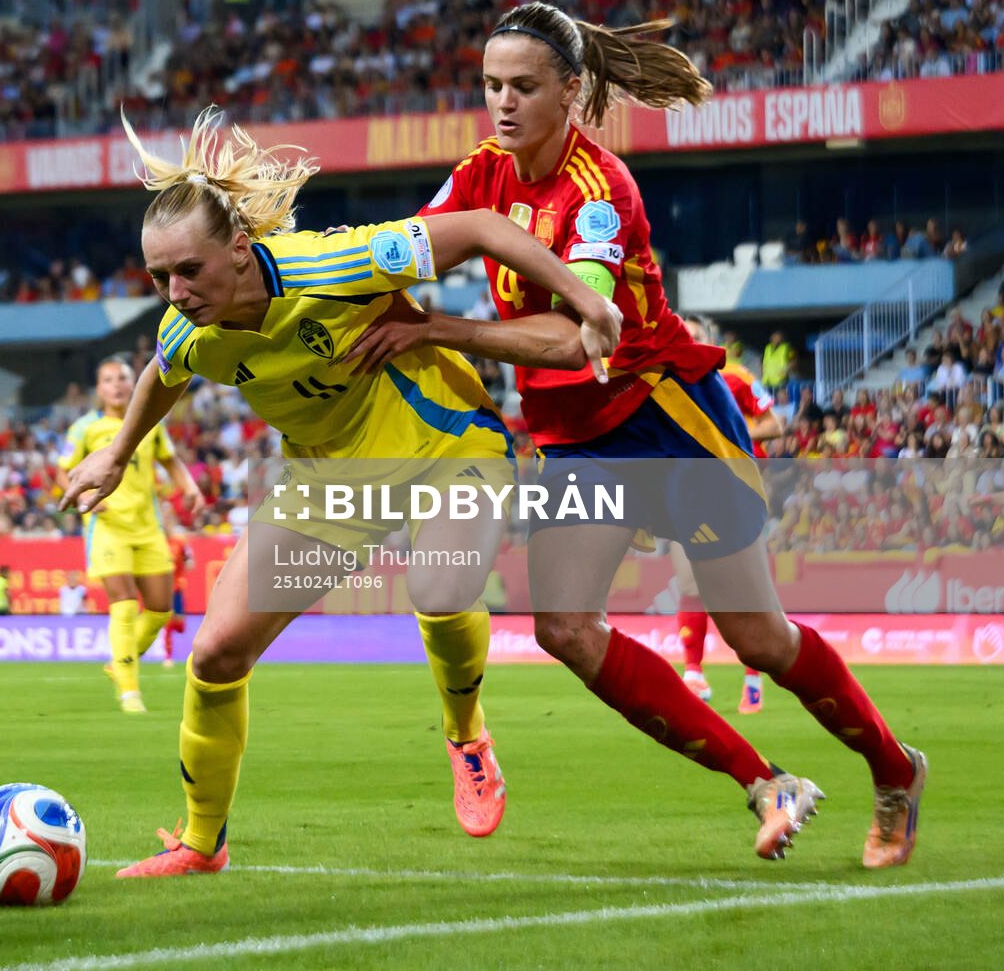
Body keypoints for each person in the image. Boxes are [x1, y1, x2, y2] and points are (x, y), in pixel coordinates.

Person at [381, 0, 924, 867]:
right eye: (491, 86)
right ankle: (765, 782)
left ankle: (896, 770)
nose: (503, 103)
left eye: (523, 86)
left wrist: (441, 332)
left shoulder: (600, 196)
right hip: (576, 438)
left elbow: (577, 337)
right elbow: (397, 251)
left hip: (666, 419)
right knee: (563, 627)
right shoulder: (479, 175)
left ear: (571, 91)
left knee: (758, 639)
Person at [60, 109, 622, 877]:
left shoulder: (339, 263)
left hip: (445, 445)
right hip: (333, 483)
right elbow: (164, 372)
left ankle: (466, 736)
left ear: (239, 246)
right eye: (160, 276)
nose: (175, 291)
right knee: (217, 652)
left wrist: (585, 301)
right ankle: (202, 842)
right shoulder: (186, 328)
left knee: (441, 587)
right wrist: (119, 453)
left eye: (189, 270)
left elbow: (485, 225)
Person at [54, 354, 205, 712]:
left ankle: (118, 663)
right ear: (99, 389)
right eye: (108, 380)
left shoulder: (148, 423)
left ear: (133, 382)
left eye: (123, 378)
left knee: (159, 611)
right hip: (107, 527)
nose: (117, 385)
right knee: (122, 606)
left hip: (148, 527)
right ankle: (129, 690)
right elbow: (62, 472)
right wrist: (87, 496)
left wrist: (190, 487)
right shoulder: (84, 428)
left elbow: (170, 461)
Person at [674, 320, 788, 714]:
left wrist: (728, 435)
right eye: (683, 335)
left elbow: (775, 425)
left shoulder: (736, 377)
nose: (690, 342)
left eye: (697, 336)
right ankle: (694, 674)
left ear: (711, 340)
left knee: (745, 587)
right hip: (687, 490)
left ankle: (754, 678)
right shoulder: (665, 381)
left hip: (736, 488)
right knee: (689, 582)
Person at [161, 536, 192, 670]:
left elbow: (190, 562)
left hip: (177, 588)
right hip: (163, 588)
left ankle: (176, 623)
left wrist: (188, 561)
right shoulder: (156, 541)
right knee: (167, 624)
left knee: (180, 626)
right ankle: (168, 657)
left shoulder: (178, 542)